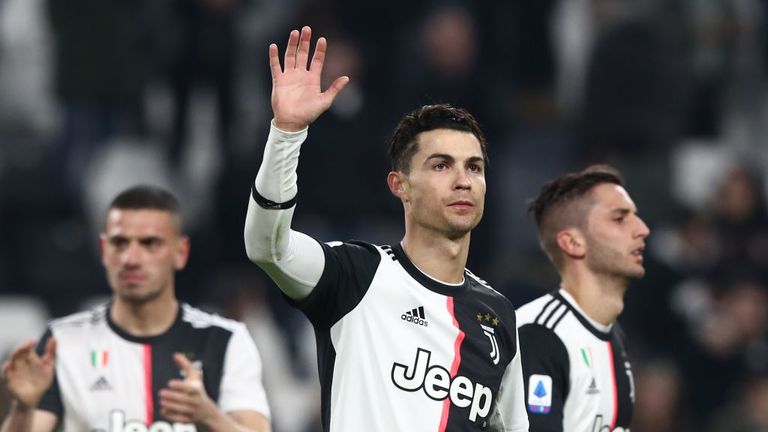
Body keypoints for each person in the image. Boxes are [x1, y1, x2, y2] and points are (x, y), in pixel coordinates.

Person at [244, 26, 529, 431]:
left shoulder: (498, 316)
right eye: (441, 165)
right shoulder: (356, 275)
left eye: (474, 167)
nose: (463, 180)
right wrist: (287, 134)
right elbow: (265, 247)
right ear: (401, 186)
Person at [1, 185, 271, 432]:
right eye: (120, 243)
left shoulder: (224, 339)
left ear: (181, 252)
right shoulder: (63, 342)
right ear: (104, 250)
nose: (131, 259)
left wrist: (209, 415)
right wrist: (22, 408)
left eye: (149, 243)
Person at [516, 165, 650, 431]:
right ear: (573, 243)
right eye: (619, 218)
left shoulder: (613, 333)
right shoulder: (539, 334)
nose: (642, 229)